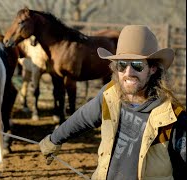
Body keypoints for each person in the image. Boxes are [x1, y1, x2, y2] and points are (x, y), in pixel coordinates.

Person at [39, 25, 186, 180]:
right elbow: (82, 118)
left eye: (137, 65)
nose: (128, 73)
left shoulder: (172, 117)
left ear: (153, 68)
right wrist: (54, 139)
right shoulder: (110, 95)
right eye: (122, 64)